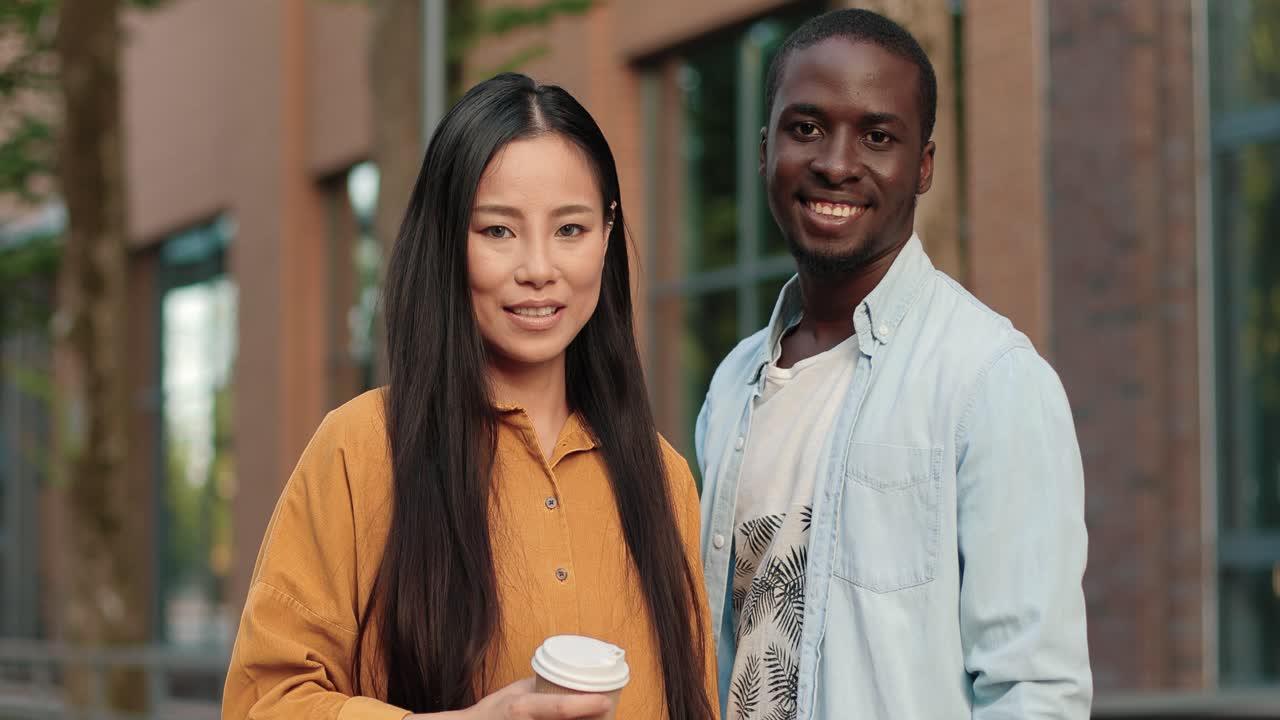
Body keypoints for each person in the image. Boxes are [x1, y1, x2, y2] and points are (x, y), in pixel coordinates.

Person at [223, 73, 718, 720]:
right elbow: (264, 702)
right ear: (447, 241)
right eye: (498, 231)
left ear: (607, 234)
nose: (538, 268)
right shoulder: (361, 449)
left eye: (570, 229)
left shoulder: (664, 479)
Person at [695, 9, 1091, 720]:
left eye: (877, 136)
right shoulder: (732, 386)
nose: (836, 163)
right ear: (765, 150)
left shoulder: (990, 380)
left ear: (923, 166)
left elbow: (1033, 690)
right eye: (805, 128)